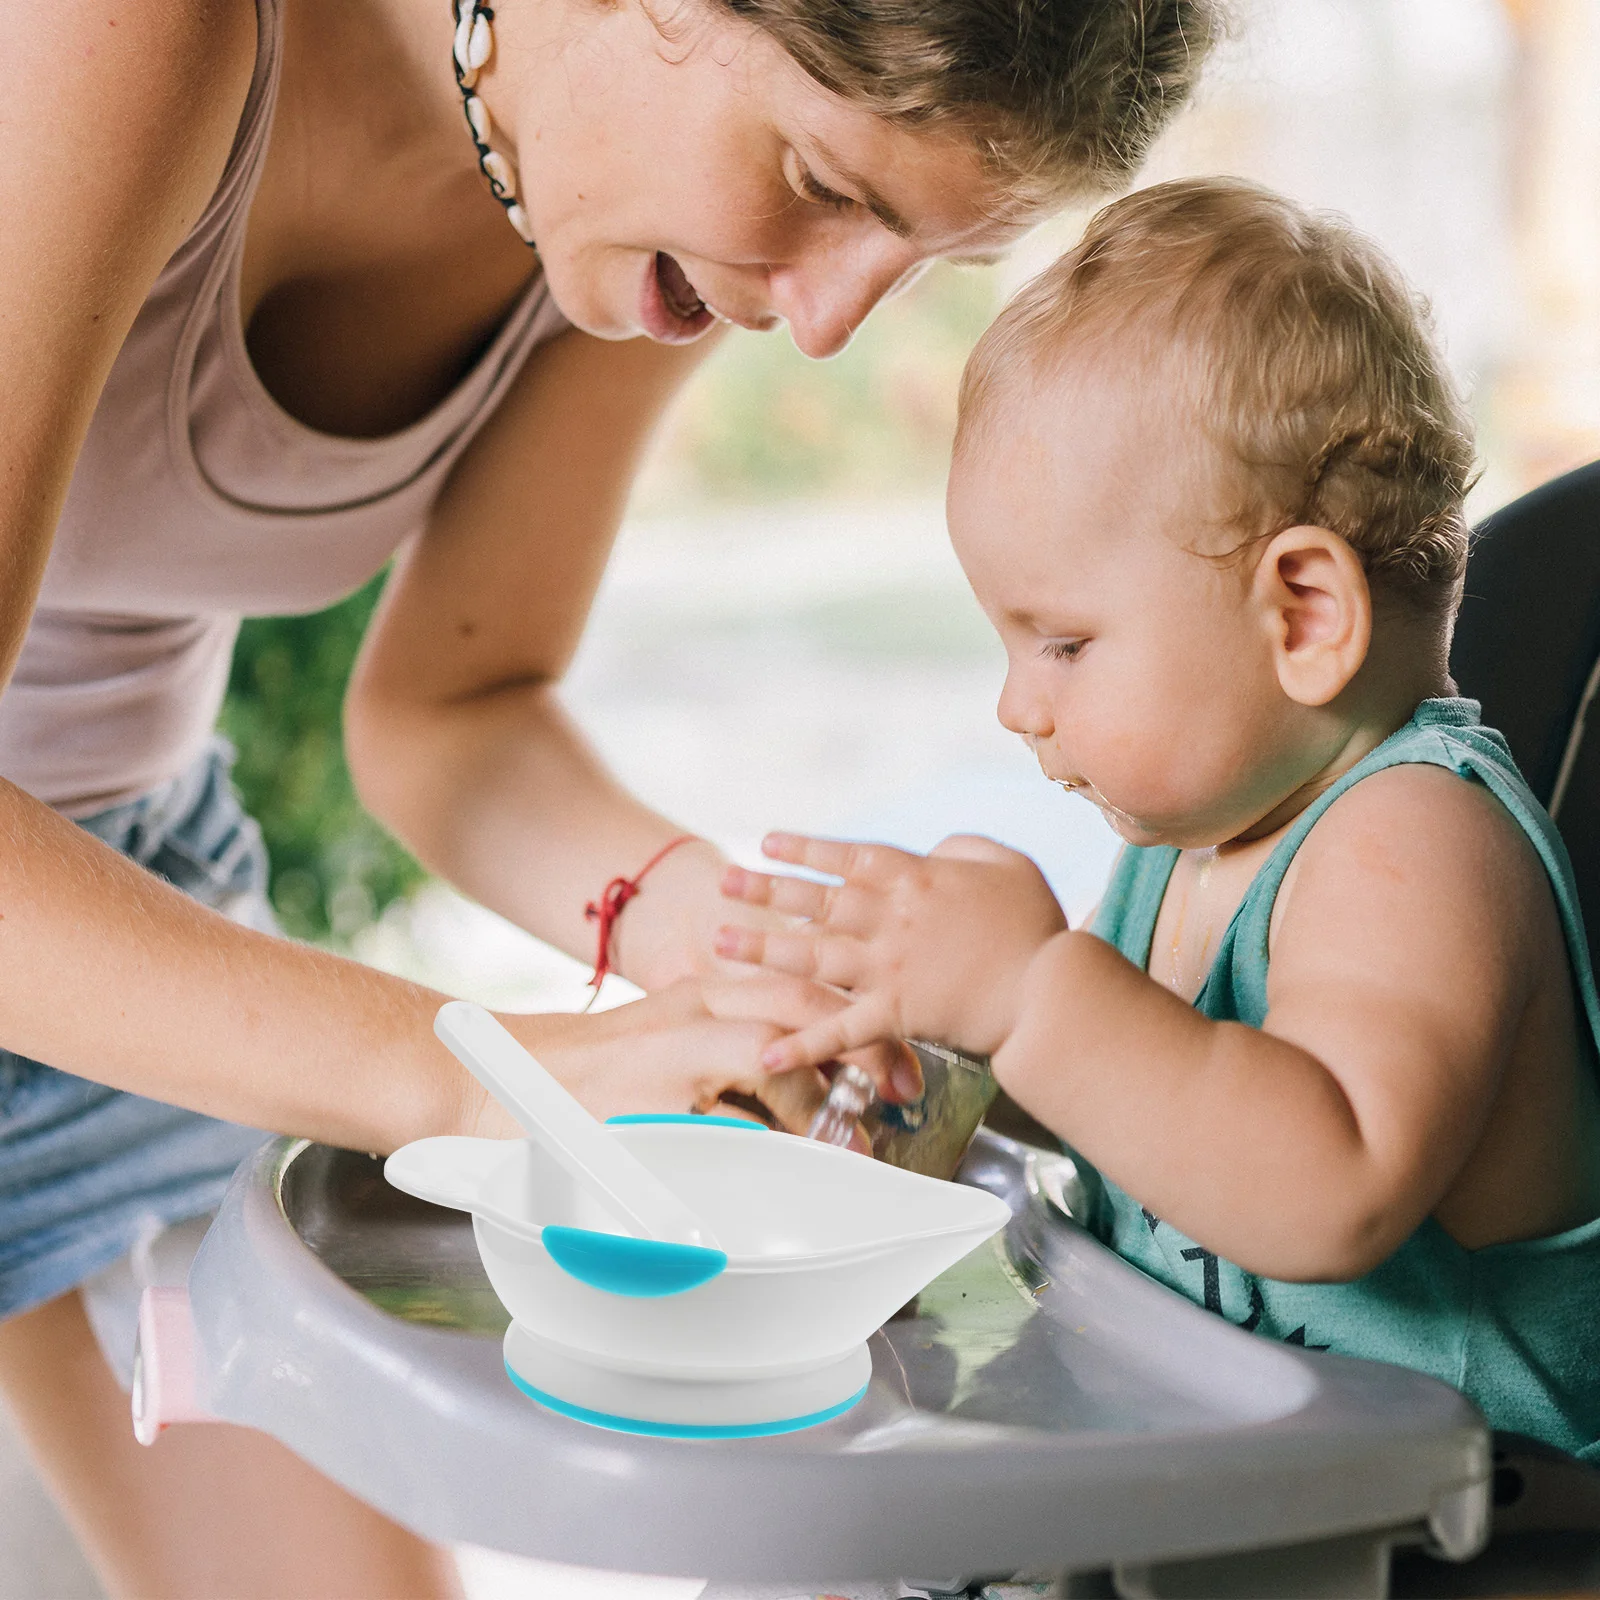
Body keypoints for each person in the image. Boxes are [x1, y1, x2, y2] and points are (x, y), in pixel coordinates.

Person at [0, 0, 1215, 1592]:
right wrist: (506, 1085)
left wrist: (742, 962)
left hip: (120, 901)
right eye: (827, 183)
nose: (831, 318)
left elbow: (457, 711)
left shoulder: (628, 211)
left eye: (918, 258)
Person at [720, 176, 1600, 1459]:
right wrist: (943, 1060)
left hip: (1460, 1530)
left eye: (1064, 642)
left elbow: (1325, 1183)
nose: (1018, 704)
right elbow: (1138, 1104)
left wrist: (1031, 993)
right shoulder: (1192, 846)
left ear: (1301, 613)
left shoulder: (1417, 839)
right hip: (1223, 1465)